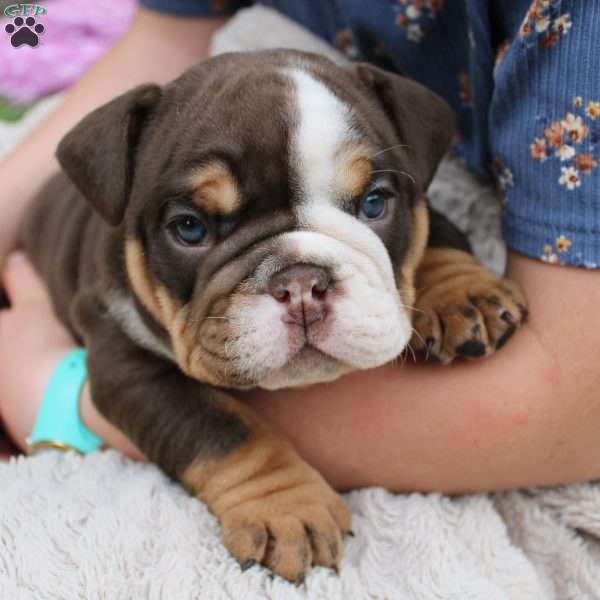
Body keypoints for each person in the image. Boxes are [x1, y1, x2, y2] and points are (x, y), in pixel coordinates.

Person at [0, 1, 599, 494]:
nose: (301, 292)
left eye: (367, 206)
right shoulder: (122, 211)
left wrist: (445, 273)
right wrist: (257, 482)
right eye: (194, 227)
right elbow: (163, 38)